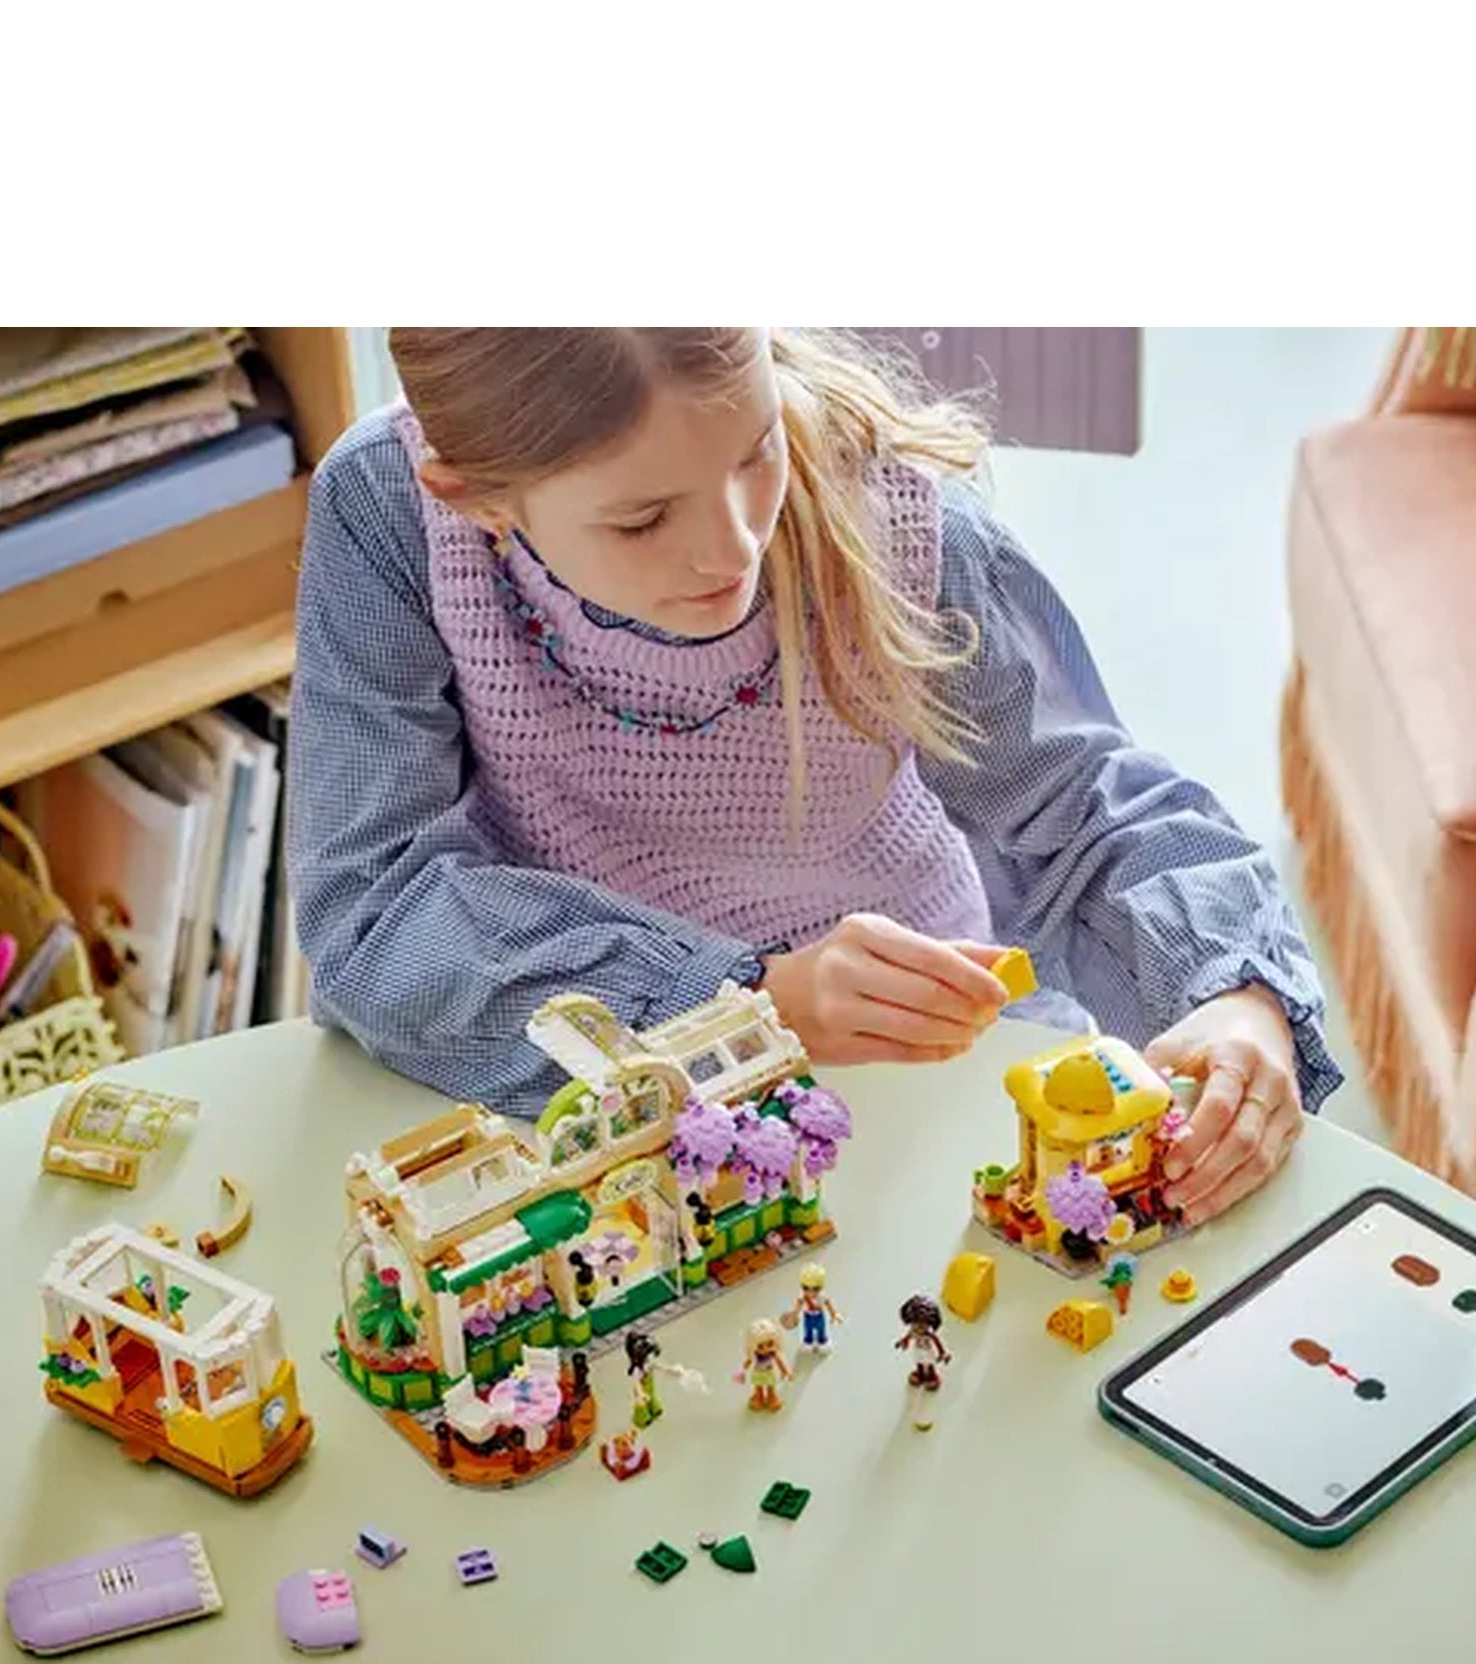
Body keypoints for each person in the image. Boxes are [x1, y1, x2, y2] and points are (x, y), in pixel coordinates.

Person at [290, 328, 1342, 1227]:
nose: (733, 546)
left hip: (915, 1060)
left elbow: (1088, 806)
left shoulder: (894, 517)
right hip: (591, 1088)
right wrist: (747, 1005)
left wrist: (1235, 994)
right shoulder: (392, 512)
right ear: (476, 499)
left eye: (757, 452)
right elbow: (373, 913)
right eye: (644, 519)